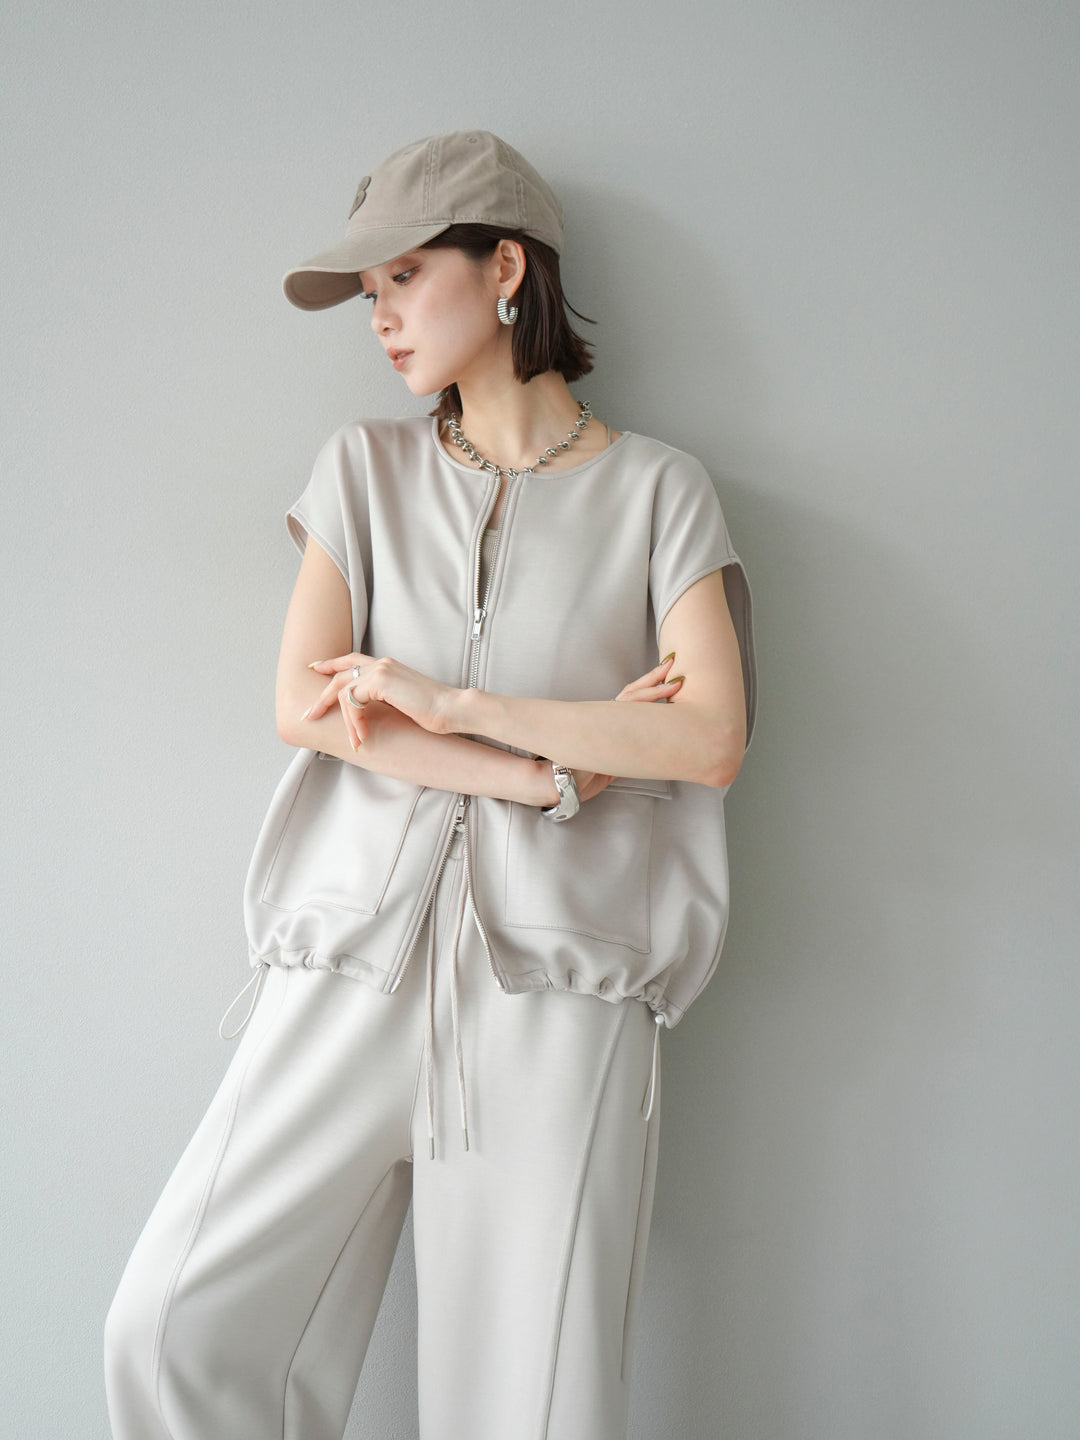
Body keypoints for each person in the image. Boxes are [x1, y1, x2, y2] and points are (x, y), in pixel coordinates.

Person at [104, 129, 757, 1440]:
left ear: (505, 267)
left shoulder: (658, 492)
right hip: (348, 968)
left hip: (556, 996)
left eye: (403, 276)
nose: (381, 317)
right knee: (171, 1329)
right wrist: (552, 773)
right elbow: (311, 709)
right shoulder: (364, 469)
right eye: (370, 292)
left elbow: (707, 739)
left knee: (533, 1405)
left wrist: (455, 706)